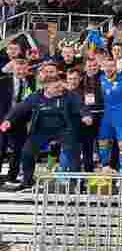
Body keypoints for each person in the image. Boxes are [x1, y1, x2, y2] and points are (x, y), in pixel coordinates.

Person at [0, 76, 92, 192]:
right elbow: (20, 108)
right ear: (46, 87)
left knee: (73, 154)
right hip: (41, 130)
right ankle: (27, 182)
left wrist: (86, 115)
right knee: (27, 153)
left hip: (64, 129)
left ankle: (77, 184)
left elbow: (80, 105)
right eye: (56, 87)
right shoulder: (36, 96)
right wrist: (8, 120)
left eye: (60, 86)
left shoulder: (68, 95)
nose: (60, 89)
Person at [0, 58, 36, 188]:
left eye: (23, 69)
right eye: (18, 69)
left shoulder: (31, 82)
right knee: (1, 148)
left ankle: (12, 177)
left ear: (27, 69)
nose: (21, 72)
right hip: (3, 120)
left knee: (18, 150)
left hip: (21, 121)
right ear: (13, 69)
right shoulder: (3, 82)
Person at [98, 56, 122, 171]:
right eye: (106, 66)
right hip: (107, 115)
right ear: (102, 67)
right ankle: (105, 166)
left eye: (112, 66)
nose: (109, 68)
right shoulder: (100, 79)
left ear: (116, 67)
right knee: (103, 141)